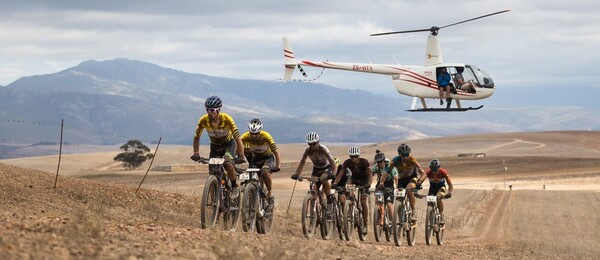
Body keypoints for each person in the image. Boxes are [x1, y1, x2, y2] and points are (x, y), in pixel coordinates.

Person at [191, 96, 245, 199]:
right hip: (215, 147)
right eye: (207, 109)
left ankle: (234, 186)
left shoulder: (227, 119)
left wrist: (241, 155)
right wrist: (196, 152)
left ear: (218, 110)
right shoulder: (203, 120)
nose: (209, 112)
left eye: (212, 110)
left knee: (228, 163)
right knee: (212, 172)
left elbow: (237, 138)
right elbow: (196, 137)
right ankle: (215, 201)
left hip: (228, 145)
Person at [241, 118, 281, 211]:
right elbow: (237, 148)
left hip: (267, 158)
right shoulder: (245, 137)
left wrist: (278, 166)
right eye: (252, 133)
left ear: (260, 131)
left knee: (265, 171)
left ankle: (270, 195)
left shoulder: (266, 136)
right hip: (256, 158)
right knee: (250, 175)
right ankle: (252, 194)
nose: (254, 136)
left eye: (256, 133)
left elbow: (276, 152)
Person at [333, 147, 373, 235]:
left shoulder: (364, 162)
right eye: (352, 157)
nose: (354, 159)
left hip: (365, 180)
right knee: (347, 185)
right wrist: (335, 183)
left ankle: (365, 224)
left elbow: (370, 174)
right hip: (354, 179)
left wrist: (369, 184)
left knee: (363, 201)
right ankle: (350, 203)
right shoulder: (347, 162)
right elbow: (341, 173)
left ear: (358, 156)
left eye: (355, 157)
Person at [291, 132, 338, 206]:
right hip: (316, 169)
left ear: (318, 142)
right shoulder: (307, 151)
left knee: (323, 178)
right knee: (312, 185)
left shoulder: (323, 149)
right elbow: (302, 162)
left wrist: (334, 174)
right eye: (310, 144)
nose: (312, 146)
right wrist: (297, 174)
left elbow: (332, 162)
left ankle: (329, 200)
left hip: (327, 167)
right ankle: (316, 207)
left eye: (314, 144)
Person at [386, 143, 426, 221]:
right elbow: (386, 173)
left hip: (412, 178)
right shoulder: (395, 160)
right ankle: (401, 218)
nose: (405, 157)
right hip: (401, 180)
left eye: (407, 154)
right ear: (399, 154)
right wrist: (381, 183)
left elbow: (423, 173)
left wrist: (420, 182)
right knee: (398, 198)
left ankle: (413, 210)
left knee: (409, 189)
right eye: (403, 155)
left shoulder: (412, 159)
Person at [417, 159, 453, 224]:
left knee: (438, 197)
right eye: (432, 170)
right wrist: (419, 182)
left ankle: (441, 215)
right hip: (432, 188)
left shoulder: (443, 172)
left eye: (435, 170)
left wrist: (450, 192)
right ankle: (430, 216)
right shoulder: (428, 172)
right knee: (430, 201)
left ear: (439, 168)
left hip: (441, 188)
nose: (434, 172)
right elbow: (422, 177)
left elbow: (450, 184)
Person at [373, 150, 398, 220]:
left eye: (380, 162)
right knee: (377, 203)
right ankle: (378, 217)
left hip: (389, 185)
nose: (379, 163)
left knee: (389, 204)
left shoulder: (390, 167)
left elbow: (396, 178)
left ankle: (392, 222)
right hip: (380, 185)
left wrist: (396, 187)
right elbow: (370, 175)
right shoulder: (376, 167)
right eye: (378, 162)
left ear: (384, 161)